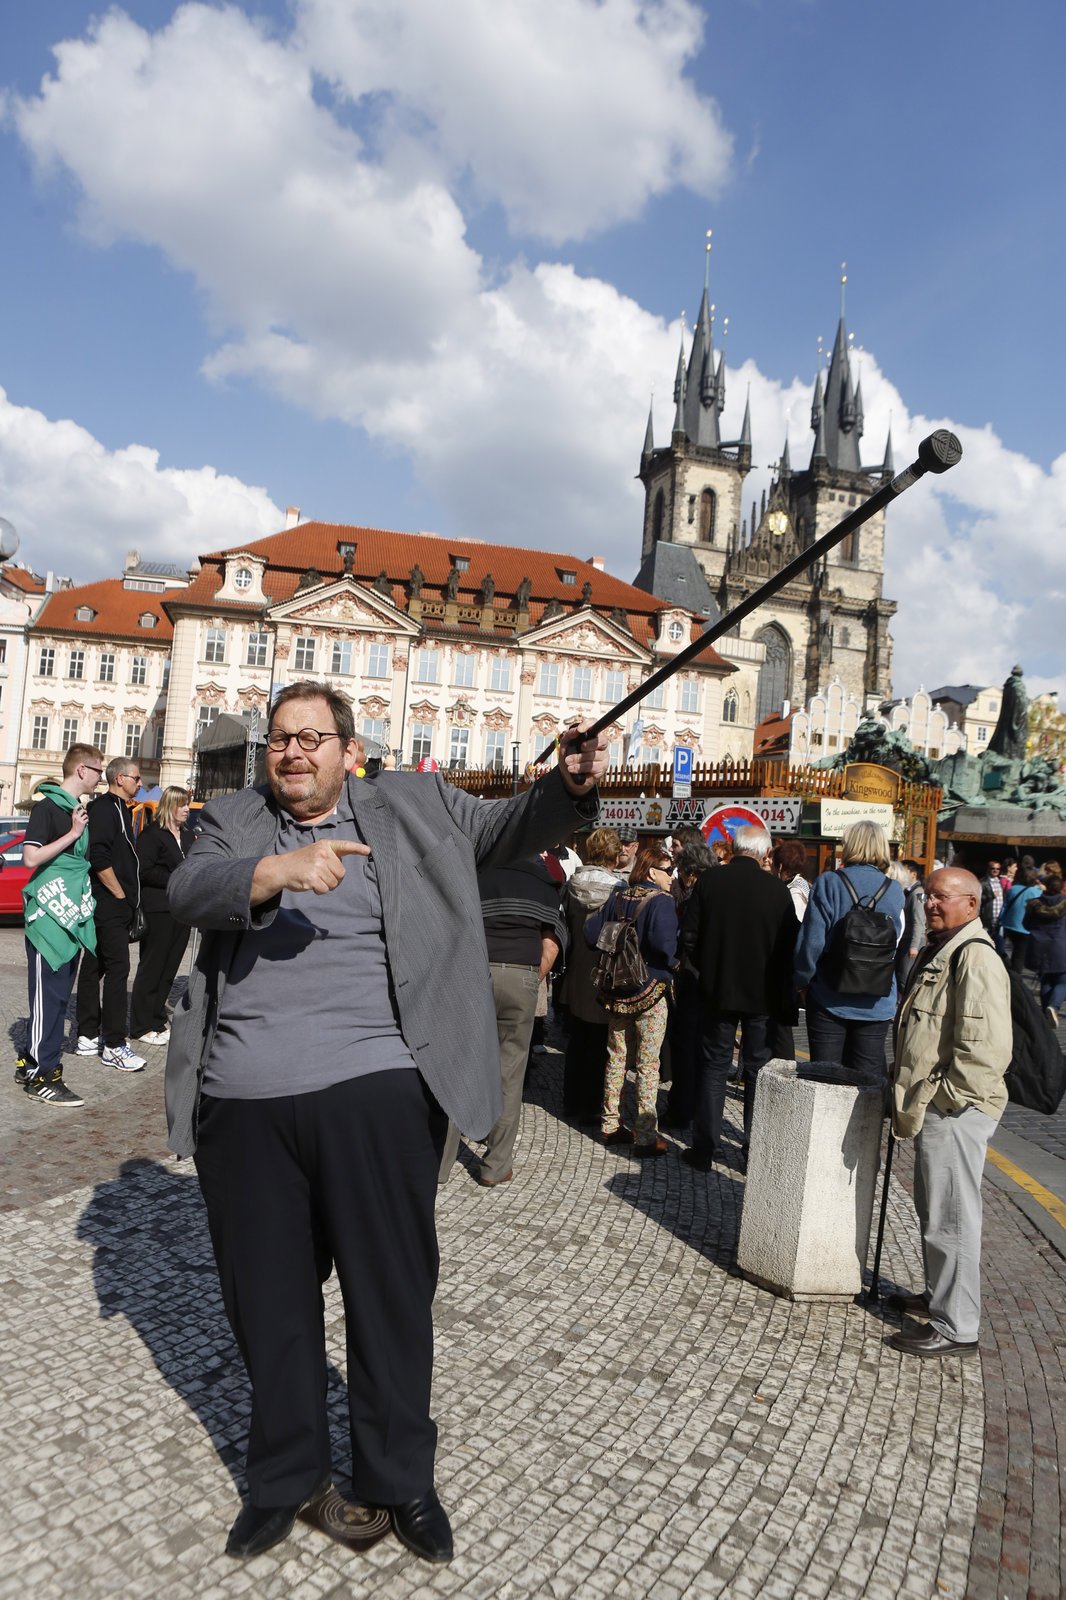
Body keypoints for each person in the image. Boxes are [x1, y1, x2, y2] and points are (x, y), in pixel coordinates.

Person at [165, 680, 605, 1563]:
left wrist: (571, 787)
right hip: (245, 1103)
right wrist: (274, 872)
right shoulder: (233, 820)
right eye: (282, 740)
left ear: (348, 749)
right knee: (269, 1302)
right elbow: (188, 889)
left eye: (313, 739)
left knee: (391, 1295)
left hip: (377, 1087)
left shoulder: (410, 801)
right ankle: (286, 1478)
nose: (295, 753)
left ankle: (399, 1477)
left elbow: (506, 831)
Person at [888, 868, 1012, 1358]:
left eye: (941, 897)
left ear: (972, 904)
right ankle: (940, 1296)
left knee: (952, 1216)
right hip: (939, 1105)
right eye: (928, 896)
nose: (931, 905)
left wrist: (943, 1097)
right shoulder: (948, 947)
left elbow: (985, 1051)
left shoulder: (974, 957)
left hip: (955, 1109)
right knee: (935, 1209)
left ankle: (956, 1325)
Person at [680, 825, 798, 1170]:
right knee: (756, 1071)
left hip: (718, 989)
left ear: (733, 847)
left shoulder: (710, 882)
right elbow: (790, 946)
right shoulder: (778, 891)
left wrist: (708, 970)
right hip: (762, 994)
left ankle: (704, 1148)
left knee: (714, 1066)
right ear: (764, 854)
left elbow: (689, 935)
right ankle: (753, 1150)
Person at [456, 852, 566, 1186]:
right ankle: (496, 1166)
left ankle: (441, 1161)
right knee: (510, 1072)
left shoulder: (476, 871)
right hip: (521, 976)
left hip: (476, 972)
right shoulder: (540, 878)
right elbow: (552, 940)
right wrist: (533, 978)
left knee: (458, 1070)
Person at [18, 744, 104, 1105]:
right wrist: (71, 833)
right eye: (98, 770)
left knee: (56, 1000)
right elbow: (30, 857)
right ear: (82, 770)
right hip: (48, 918)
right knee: (48, 1000)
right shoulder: (48, 807)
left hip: (68, 916)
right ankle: (42, 1076)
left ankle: (34, 1061)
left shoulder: (77, 810)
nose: (101, 776)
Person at [583, 840, 677, 1157]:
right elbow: (665, 947)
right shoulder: (661, 901)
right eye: (668, 870)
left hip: (617, 990)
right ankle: (645, 1136)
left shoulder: (619, 896)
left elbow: (590, 932)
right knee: (648, 1065)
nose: (672, 876)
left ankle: (610, 1125)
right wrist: (674, 961)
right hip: (650, 991)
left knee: (616, 1057)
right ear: (652, 870)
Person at [794, 820, 904, 1083]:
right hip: (877, 999)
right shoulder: (894, 890)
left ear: (850, 845)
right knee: (866, 1083)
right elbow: (895, 942)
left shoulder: (829, 882)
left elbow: (812, 942)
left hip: (830, 995)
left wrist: (801, 981)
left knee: (825, 1079)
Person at [75, 755, 146, 1072]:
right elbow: (99, 855)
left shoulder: (122, 810)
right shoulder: (105, 809)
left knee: (95, 965)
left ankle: (88, 1034)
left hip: (113, 904)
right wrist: (118, 893)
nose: (140, 783)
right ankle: (114, 1044)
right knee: (118, 970)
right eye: (136, 778)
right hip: (108, 903)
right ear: (120, 779)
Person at [558, 828, 624, 1123]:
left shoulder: (573, 883)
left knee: (577, 1038)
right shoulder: (618, 888)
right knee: (600, 1042)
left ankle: (571, 1102)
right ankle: (592, 1104)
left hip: (576, 968)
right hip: (604, 970)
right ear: (614, 854)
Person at [129, 787, 195, 1046]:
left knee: (169, 968)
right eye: (182, 805)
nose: (187, 809)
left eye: (187, 804)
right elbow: (144, 870)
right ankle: (140, 1025)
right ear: (170, 806)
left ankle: (156, 1018)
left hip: (182, 909)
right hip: (158, 909)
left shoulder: (188, 836)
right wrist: (177, 879)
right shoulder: (153, 834)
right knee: (152, 967)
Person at [663, 839, 716, 1130]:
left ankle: (682, 1108)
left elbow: (687, 936)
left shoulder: (698, 894)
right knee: (706, 1050)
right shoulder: (722, 891)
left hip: (693, 977)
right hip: (715, 981)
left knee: (685, 1046)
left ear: (691, 872)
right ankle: (699, 1106)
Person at [1023, 871, 1066, 1025]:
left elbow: (1025, 924)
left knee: (1045, 980)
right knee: (1063, 981)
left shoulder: (1034, 904)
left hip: (1039, 946)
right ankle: (1053, 1006)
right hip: (1061, 946)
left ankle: (1044, 1015)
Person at [998, 867, 1042, 974]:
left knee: (1005, 950)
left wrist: (1000, 920)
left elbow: (1005, 906)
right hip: (1024, 928)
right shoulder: (1037, 892)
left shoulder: (1012, 889)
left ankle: (1007, 968)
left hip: (1008, 924)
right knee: (1019, 954)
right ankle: (1015, 978)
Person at [893, 858, 927, 991]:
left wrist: (914, 946)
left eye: (905, 870)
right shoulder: (908, 891)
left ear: (913, 874)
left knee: (905, 977)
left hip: (913, 941)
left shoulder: (918, 893)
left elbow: (919, 921)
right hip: (906, 939)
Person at [978, 857, 1004, 936]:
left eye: (998, 869)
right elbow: (978, 899)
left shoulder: (1001, 882)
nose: (995, 870)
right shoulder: (982, 882)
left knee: (999, 944)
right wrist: (991, 896)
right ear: (988, 869)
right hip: (987, 918)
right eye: (993, 868)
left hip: (1000, 918)